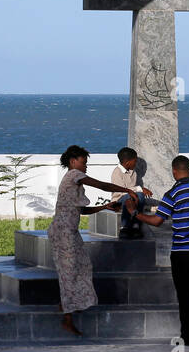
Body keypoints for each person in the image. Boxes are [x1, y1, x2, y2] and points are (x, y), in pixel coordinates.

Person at [126, 155, 189, 346]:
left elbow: (158, 221)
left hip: (182, 253)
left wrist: (136, 213)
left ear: (174, 171)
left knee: (185, 297)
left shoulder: (172, 195)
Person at [50, 144, 139, 336]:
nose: (85, 166)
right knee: (69, 271)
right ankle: (67, 316)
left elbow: (81, 210)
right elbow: (102, 185)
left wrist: (104, 207)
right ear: (73, 162)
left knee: (82, 266)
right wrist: (127, 190)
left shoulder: (74, 182)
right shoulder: (73, 175)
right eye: (83, 162)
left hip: (70, 232)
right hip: (63, 232)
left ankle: (71, 302)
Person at [110, 147, 153, 239]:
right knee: (128, 198)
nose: (136, 163)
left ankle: (136, 225)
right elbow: (121, 190)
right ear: (127, 162)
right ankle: (124, 227)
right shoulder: (117, 172)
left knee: (140, 196)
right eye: (135, 161)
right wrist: (139, 189)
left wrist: (139, 190)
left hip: (132, 197)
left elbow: (133, 189)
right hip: (119, 199)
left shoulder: (133, 173)